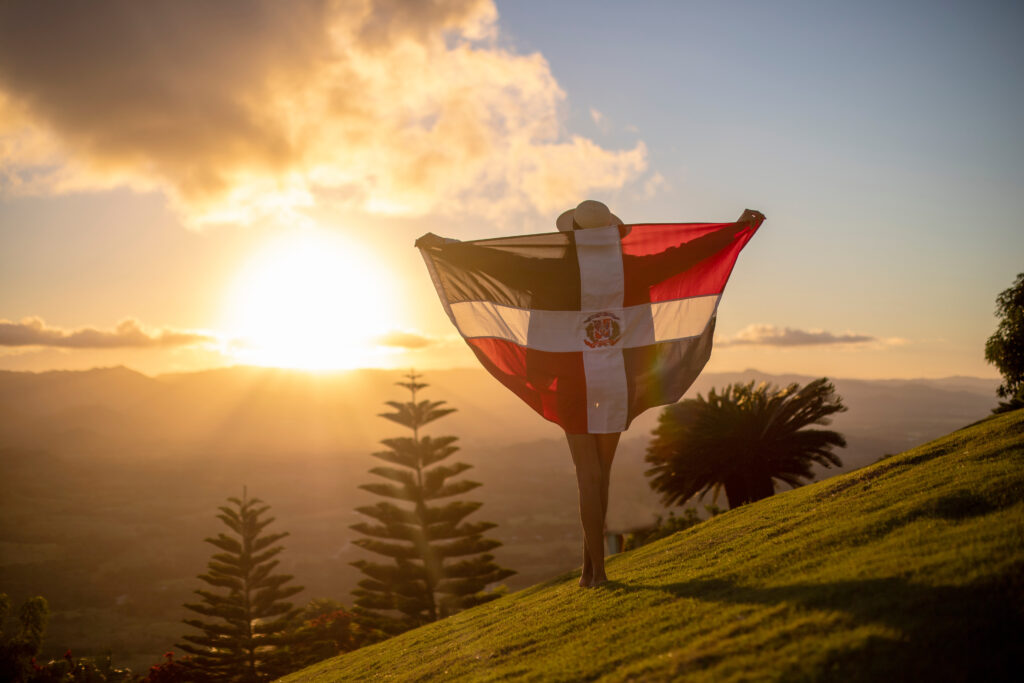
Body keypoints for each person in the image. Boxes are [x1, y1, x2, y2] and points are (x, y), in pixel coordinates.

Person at [417, 200, 763, 587]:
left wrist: (445, 245)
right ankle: (589, 569)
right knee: (603, 474)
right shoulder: (635, 268)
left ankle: (595, 573)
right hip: (618, 378)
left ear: (571, 234)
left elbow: (493, 262)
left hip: (570, 381)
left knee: (587, 476)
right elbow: (686, 255)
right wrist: (737, 230)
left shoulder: (546, 270)